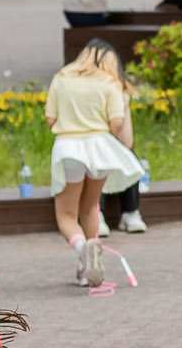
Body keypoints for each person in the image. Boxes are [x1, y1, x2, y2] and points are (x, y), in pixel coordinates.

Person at [44, 43, 147, 290]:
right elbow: (116, 124)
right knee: (90, 206)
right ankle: (84, 271)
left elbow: (51, 121)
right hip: (101, 149)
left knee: (66, 215)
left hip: (69, 148)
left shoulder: (62, 77)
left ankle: (83, 251)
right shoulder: (109, 81)